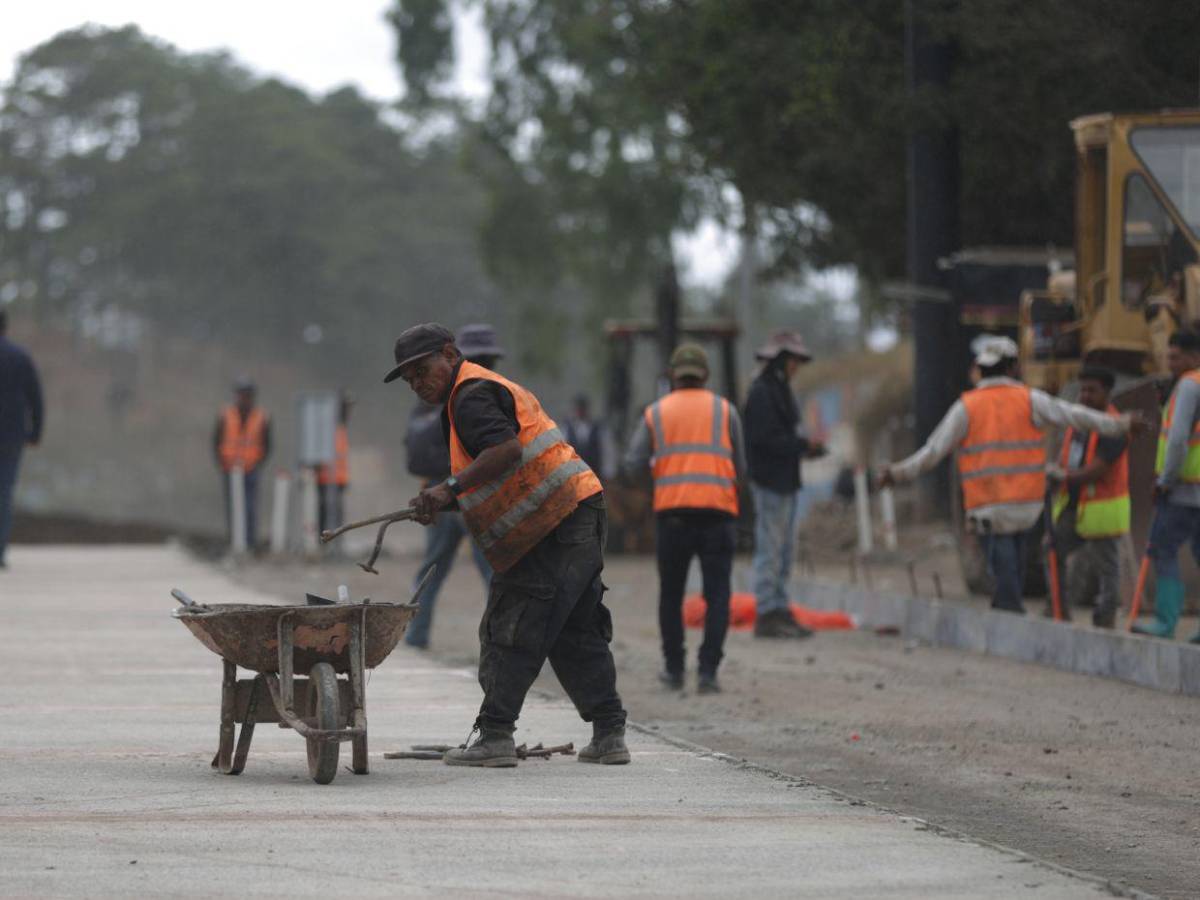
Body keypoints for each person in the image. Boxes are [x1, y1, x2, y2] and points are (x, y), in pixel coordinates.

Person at [387, 323, 628, 767]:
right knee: (575, 628)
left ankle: (495, 733)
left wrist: (448, 488)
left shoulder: (470, 394)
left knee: (510, 624)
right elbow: (503, 473)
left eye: (422, 370)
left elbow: (505, 452)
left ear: (448, 353)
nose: (418, 384)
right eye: (410, 379)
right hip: (577, 511)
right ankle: (609, 732)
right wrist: (448, 500)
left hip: (553, 523)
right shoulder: (476, 391)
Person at [881, 336, 1140, 614]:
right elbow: (1075, 415)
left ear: (980, 368)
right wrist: (1121, 424)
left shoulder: (967, 407)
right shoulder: (1030, 399)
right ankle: (1014, 611)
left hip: (988, 506)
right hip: (1026, 505)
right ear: (1014, 367)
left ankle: (1010, 613)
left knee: (1004, 571)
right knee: (1015, 564)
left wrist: (897, 474)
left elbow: (933, 451)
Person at [623, 344, 747, 693]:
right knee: (718, 595)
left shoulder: (655, 413)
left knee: (671, 594)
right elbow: (741, 468)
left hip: (673, 516)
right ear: (705, 375)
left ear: (673, 376)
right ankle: (708, 673)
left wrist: (658, 487)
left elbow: (632, 464)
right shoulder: (726, 411)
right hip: (718, 514)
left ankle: (675, 670)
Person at [402, 324, 502, 650]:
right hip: (462, 491)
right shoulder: (473, 393)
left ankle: (416, 638)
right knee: (493, 571)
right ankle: (502, 642)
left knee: (432, 569)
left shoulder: (431, 400)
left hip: (440, 490)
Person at [744, 330, 825, 639]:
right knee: (771, 549)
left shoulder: (778, 390)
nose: (796, 367)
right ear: (781, 360)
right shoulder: (763, 392)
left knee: (784, 550)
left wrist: (802, 447)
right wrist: (801, 445)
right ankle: (767, 612)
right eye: (793, 360)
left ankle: (779, 608)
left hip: (784, 480)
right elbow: (764, 440)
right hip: (770, 482)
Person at [1045, 366, 1128, 627]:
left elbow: (1097, 469)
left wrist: (1063, 477)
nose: (1085, 396)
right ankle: (1058, 609)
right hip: (1075, 506)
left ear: (1107, 392)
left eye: (1092, 390)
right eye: (1083, 390)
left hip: (1101, 511)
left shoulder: (1114, 427)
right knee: (1052, 551)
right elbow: (1070, 456)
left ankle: (1105, 617)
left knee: (1107, 567)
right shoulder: (1080, 422)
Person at [1134, 330, 1200, 639]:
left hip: (1183, 489)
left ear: (1194, 356)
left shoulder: (1189, 385)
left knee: (1163, 549)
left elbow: (1176, 441)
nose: (1169, 363)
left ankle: (1165, 621)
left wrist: (1165, 481)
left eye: (1175, 357)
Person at [0, 310, 43, 569]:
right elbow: (35, 398)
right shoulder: (20, 357)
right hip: (11, 436)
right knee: (3, 493)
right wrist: (35, 432)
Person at [213, 377, 270, 550]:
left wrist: (256, 463)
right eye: (241, 394)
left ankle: (249, 542)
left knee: (250, 507)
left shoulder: (261, 417)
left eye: (247, 395)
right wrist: (223, 463)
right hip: (230, 469)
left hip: (251, 469)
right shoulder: (225, 415)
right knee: (233, 507)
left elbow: (267, 445)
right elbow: (216, 442)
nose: (244, 398)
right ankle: (234, 540)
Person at [316, 390, 354, 535]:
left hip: (338, 480)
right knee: (325, 512)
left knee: (336, 513)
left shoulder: (340, 428)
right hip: (326, 479)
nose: (349, 411)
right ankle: (326, 541)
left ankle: (335, 541)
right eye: (346, 407)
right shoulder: (329, 428)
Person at [564, 393, 605, 476]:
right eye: (578, 408)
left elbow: (604, 450)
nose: (580, 411)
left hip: (593, 472)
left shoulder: (596, 427)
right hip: (573, 473)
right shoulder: (567, 428)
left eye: (582, 408)